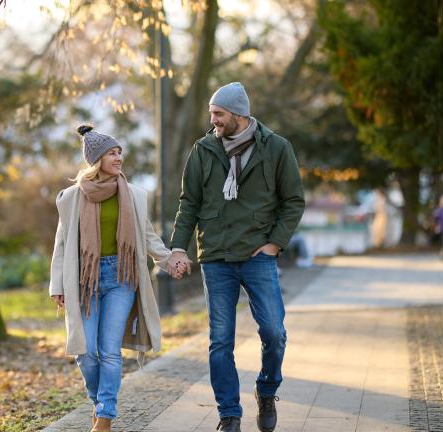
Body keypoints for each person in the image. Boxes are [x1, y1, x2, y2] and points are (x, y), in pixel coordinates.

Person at [168, 82, 305, 432]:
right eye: (212, 112)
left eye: (219, 113)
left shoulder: (276, 148)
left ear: (239, 115)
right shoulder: (203, 150)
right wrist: (179, 247)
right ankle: (229, 413)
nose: (212, 119)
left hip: (259, 254)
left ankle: (267, 390)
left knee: (274, 332)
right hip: (216, 256)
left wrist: (275, 243)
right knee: (220, 341)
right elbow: (190, 204)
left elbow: (292, 201)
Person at [49, 125, 185, 432]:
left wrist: (170, 261)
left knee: (109, 350)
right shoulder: (71, 198)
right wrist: (57, 286)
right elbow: (61, 243)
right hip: (85, 281)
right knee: (86, 352)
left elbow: (148, 237)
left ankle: (106, 415)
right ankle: (99, 403)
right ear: (96, 158)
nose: (119, 157)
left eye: (120, 152)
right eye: (112, 153)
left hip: (121, 277)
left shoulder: (133, 195)